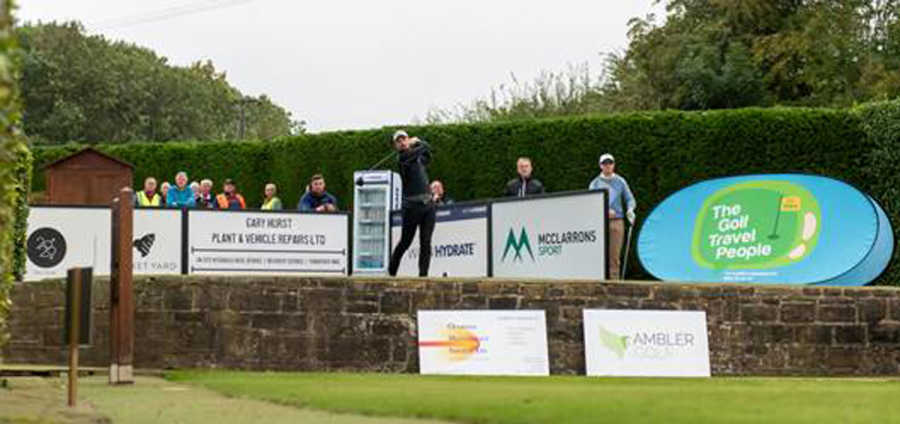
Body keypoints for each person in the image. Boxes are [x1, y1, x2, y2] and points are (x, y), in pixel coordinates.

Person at [388, 130, 436, 277]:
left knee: (426, 242)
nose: (402, 142)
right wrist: (417, 142)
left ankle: (423, 275)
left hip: (428, 204)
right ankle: (391, 272)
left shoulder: (417, 157)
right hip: (411, 207)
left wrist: (419, 143)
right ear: (396, 146)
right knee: (406, 242)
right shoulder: (403, 158)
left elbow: (427, 151)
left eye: (404, 139)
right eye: (399, 141)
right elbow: (422, 148)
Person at [588, 153, 636, 280]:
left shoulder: (620, 181)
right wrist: (603, 210)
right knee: (599, 253)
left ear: (613, 165)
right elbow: (591, 203)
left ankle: (615, 282)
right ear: (600, 166)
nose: (608, 166)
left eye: (610, 163)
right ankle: (599, 280)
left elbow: (630, 198)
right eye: (605, 164)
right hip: (600, 222)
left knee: (614, 255)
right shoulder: (595, 183)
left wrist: (630, 209)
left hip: (617, 221)